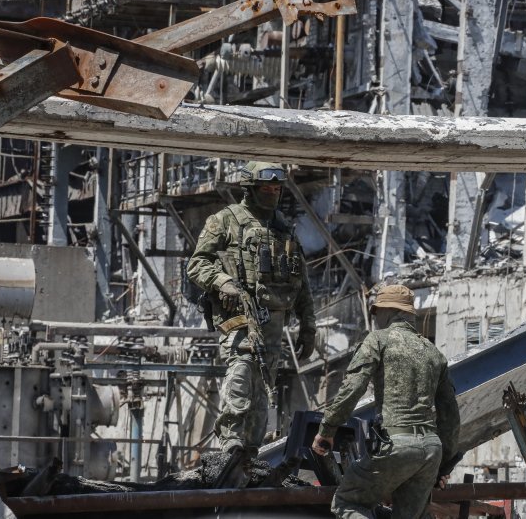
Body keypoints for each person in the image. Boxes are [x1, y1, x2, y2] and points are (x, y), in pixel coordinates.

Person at [187, 161, 316, 457]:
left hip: (274, 321)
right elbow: (196, 264)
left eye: (276, 188)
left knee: (264, 384)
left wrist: (308, 326)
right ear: (250, 189)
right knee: (242, 369)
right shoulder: (225, 221)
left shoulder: (283, 228)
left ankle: (251, 450)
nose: (273, 193)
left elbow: (302, 282)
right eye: (266, 188)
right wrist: (221, 281)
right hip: (239, 315)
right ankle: (231, 438)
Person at [311, 284, 460, 519]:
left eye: (377, 312)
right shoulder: (433, 353)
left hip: (396, 445)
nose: (376, 318)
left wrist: (327, 429)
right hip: (431, 450)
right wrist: (444, 467)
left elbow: (353, 386)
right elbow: (451, 416)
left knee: (347, 502)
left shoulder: (378, 340)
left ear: (387, 311)